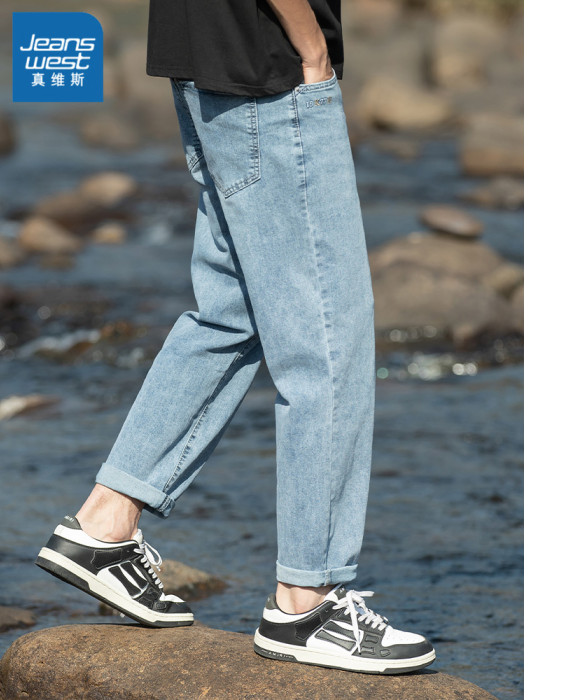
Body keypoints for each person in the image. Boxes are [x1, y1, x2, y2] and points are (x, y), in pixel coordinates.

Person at [36, 0, 435, 674]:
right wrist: (310, 47)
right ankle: (307, 600)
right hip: (269, 68)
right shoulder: (289, 57)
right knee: (327, 343)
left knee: (233, 312)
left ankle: (105, 522)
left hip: (204, 58)